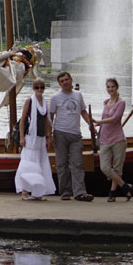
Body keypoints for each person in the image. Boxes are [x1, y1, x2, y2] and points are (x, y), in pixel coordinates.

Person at [49, 71, 94, 202]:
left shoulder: (78, 95)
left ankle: (80, 192)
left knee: (78, 164)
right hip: (60, 133)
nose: (65, 82)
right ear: (59, 83)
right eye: (62, 81)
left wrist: (91, 124)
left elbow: (83, 112)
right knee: (61, 164)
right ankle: (65, 192)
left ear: (71, 80)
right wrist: (50, 135)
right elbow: (50, 117)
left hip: (75, 134)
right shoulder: (55, 97)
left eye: (67, 80)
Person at [92, 77, 133, 202]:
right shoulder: (105, 102)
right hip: (105, 138)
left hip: (118, 139)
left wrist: (99, 121)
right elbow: (106, 119)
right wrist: (97, 125)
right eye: (108, 87)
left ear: (117, 87)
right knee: (104, 167)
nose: (110, 89)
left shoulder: (121, 102)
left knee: (117, 168)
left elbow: (115, 118)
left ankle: (112, 193)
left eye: (112, 87)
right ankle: (126, 186)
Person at [15, 77, 56, 201]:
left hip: (40, 138)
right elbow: (23, 120)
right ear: (33, 88)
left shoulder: (44, 102)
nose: (39, 89)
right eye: (37, 87)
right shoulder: (30, 101)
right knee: (28, 164)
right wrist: (22, 137)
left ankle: (38, 191)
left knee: (40, 163)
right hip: (30, 137)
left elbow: (47, 121)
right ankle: (24, 191)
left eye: (42, 87)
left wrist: (49, 136)